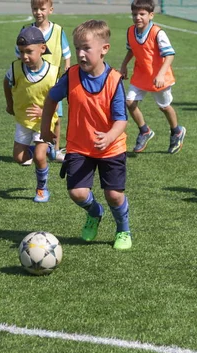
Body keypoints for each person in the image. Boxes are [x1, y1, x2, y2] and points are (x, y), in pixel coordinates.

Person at [40, 20, 132, 250]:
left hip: (111, 147)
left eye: (86, 48)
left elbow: (121, 119)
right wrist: (44, 129)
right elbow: (51, 98)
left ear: (104, 49)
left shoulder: (113, 80)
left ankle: (123, 229)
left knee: (113, 195)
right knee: (77, 192)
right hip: (80, 146)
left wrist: (110, 136)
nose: (80, 54)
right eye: (77, 48)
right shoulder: (71, 76)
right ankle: (95, 212)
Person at [119, 0, 185, 154]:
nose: (138, 17)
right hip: (141, 75)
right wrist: (123, 66)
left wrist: (161, 74)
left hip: (158, 77)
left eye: (142, 14)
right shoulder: (131, 31)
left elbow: (169, 55)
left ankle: (176, 131)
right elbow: (132, 50)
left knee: (164, 107)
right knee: (129, 102)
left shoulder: (158, 33)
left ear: (151, 15)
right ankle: (145, 131)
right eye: (135, 14)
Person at [4, 26, 60, 203]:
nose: (25, 57)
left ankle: (42, 189)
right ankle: (47, 148)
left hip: (44, 120)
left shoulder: (52, 72)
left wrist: (46, 112)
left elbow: (58, 96)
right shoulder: (15, 68)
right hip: (23, 119)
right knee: (19, 158)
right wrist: (10, 104)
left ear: (42, 49)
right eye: (21, 52)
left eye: (29, 51)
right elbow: (6, 82)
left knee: (39, 156)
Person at [16, 0, 71, 162]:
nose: (38, 12)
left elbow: (66, 53)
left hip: (53, 81)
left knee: (57, 116)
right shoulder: (26, 31)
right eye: (35, 9)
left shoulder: (58, 30)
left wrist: (67, 66)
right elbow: (18, 53)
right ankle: (38, 146)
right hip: (33, 81)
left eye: (42, 9)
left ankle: (54, 148)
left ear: (50, 10)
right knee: (34, 111)